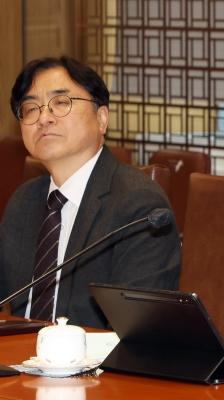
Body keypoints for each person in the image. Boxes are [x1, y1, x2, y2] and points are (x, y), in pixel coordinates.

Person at [0, 56, 181, 328]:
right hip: (20, 353)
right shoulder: (24, 201)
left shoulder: (140, 207)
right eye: (30, 108)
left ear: (102, 118)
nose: (44, 118)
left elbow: (140, 330)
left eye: (61, 102)